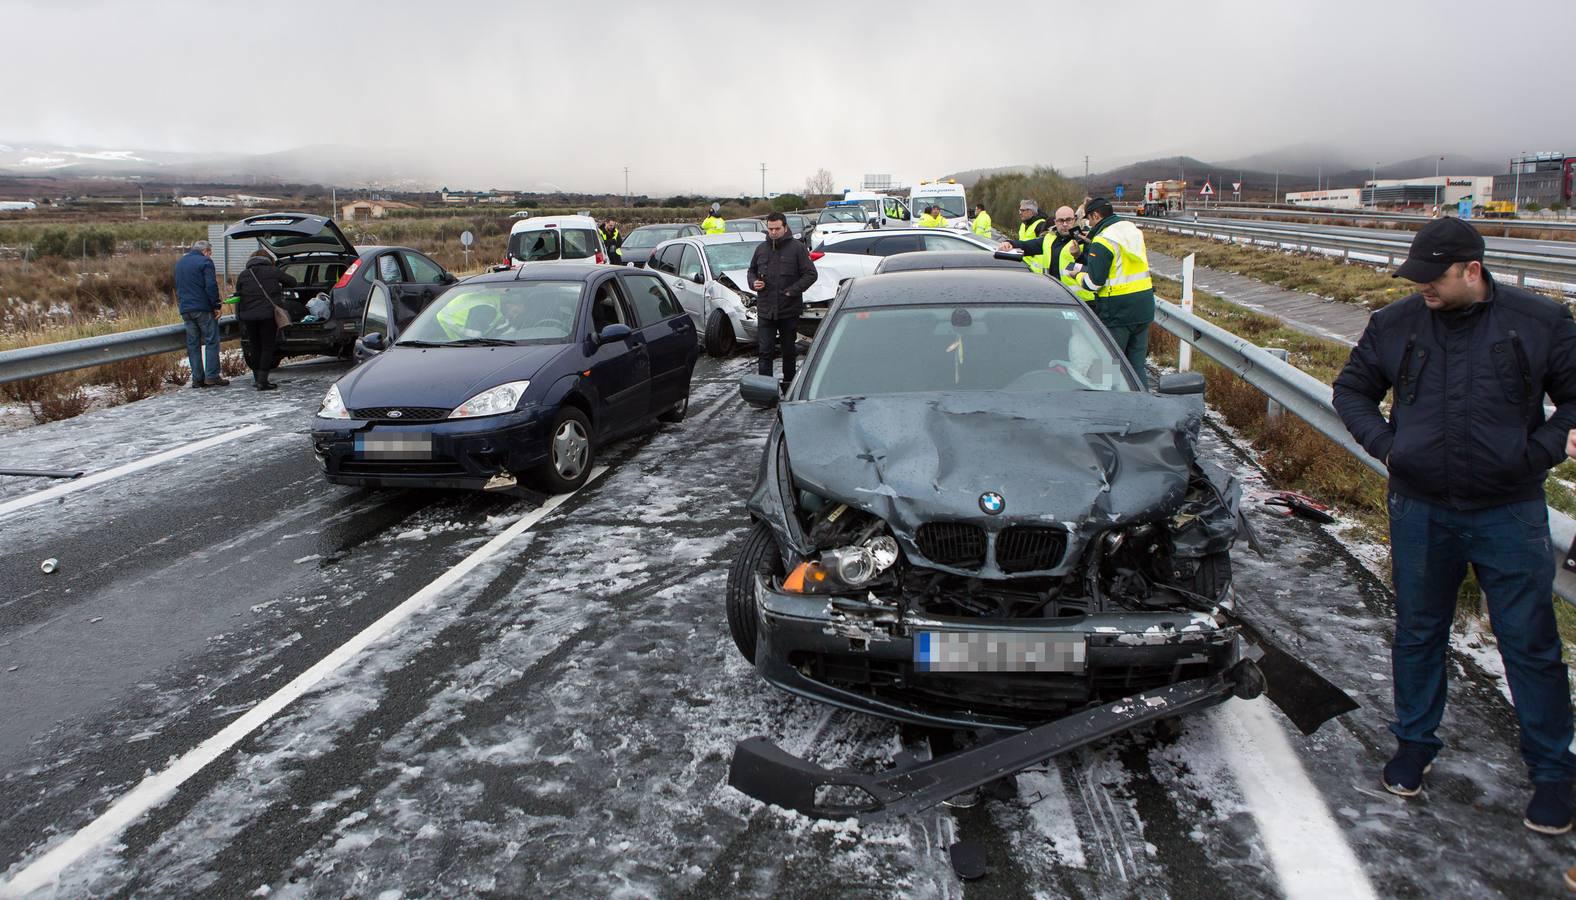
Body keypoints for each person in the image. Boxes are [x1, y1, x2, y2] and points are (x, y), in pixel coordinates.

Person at [1333, 217, 1576, 835]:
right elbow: (1351, 390)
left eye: (1433, 278)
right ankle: (1414, 743)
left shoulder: (1539, 321)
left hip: (1509, 510)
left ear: (1472, 270)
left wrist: (1540, 451)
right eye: (1415, 279)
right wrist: (1388, 448)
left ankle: (1553, 772)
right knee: (1418, 631)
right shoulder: (1395, 324)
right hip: (1421, 510)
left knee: (1529, 641)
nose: (1423, 290)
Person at [1063, 197, 1154, 387]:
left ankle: (1111, 404)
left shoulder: (1103, 239)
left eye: (1089, 219)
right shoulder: (1132, 231)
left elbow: (1093, 283)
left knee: (1110, 365)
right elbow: (1119, 267)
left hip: (1117, 312)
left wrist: (1075, 275)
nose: (1088, 223)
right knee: (1136, 365)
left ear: (1096, 215)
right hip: (1144, 307)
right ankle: (1142, 404)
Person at [747, 212, 817, 394]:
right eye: (770, 229)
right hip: (765, 310)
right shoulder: (761, 249)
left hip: (788, 310)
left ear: (785, 227)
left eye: (777, 228)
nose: (774, 232)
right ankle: (765, 392)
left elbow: (811, 274)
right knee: (765, 352)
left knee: (788, 352)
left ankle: (789, 389)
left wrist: (792, 291)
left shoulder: (797, 248)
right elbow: (751, 271)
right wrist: (753, 282)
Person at [998, 205, 1093, 303]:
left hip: (1083, 301)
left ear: (1074, 220)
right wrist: (1009, 243)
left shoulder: (1085, 240)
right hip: (1056, 298)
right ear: (1055, 222)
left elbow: (1095, 267)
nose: (1065, 224)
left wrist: (1078, 255)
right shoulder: (1049, 239)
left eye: (1068, 220)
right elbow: (1027, 246)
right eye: (1061, 221)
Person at [233, 249, 298, 391]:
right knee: (267, 347)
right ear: (268, 260)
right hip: (267, 316)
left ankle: (257, 379)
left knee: (255, 346)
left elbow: (238, 294)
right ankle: (263, 381)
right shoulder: (273, 271)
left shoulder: (244, 274)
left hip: (248, 317)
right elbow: (293, 282)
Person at [174, 240, 228, 387]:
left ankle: (197, 379)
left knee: (193, 344)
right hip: (202, 308)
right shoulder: (205, 262)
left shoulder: (180, 263)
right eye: (210, 253)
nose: (210, 256)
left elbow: (178, 286)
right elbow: (210, 285)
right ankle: (212, 376)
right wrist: (216, 305)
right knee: (211, 340)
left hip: (186, 309)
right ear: (205, 251)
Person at [1015, 200, 1050, 273]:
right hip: (1022, 264)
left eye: (1022, 210)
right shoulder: (1023, 224)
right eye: (1019, 210)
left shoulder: (1041, 224)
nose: (1020, 213)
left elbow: (1044, 247)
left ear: (1030, 212)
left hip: (1035, 270)